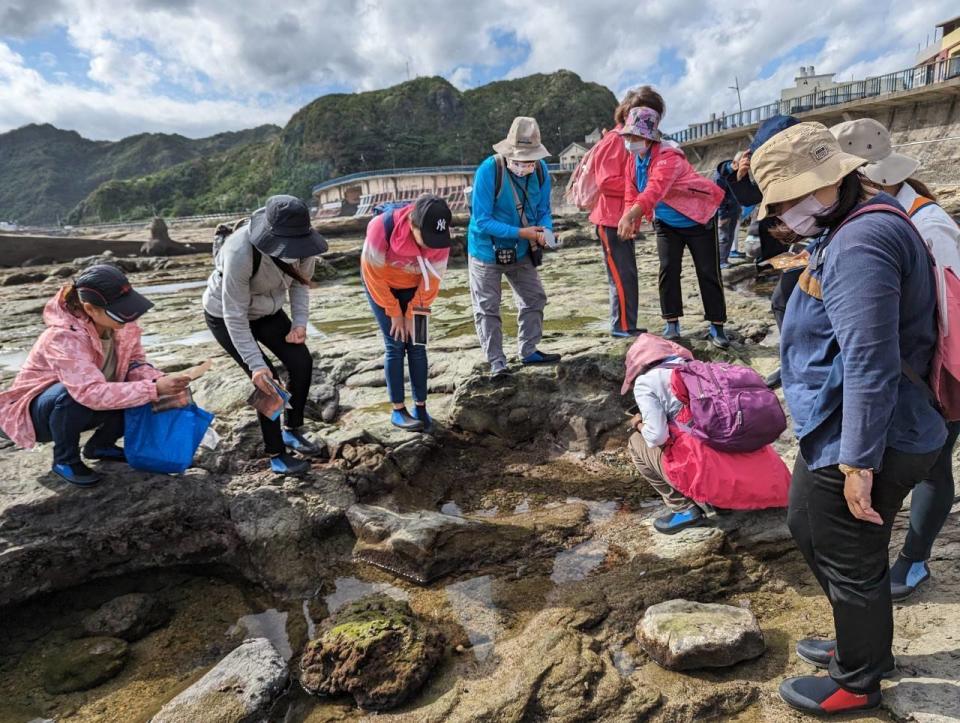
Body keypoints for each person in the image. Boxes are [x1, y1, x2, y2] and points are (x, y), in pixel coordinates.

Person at [752, 122, 947, 715]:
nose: (784, 214)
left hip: (868, 434)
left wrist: (859, 459)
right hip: (861, 424)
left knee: (847, 551)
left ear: (829, 181)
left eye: (787, 200)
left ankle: (856, 680)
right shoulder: (859, 220)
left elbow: (870, 359)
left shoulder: (861, 241)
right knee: (818, 530)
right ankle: (866, 644)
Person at [831, 117, 960, 601]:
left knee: (935, 463)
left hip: (941, 369)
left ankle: (914, 560)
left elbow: (950, 316)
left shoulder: (929, 225)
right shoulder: (888, 216)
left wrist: (937, 385)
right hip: (917, 367)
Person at [0, 265, 191, 486]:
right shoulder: (63, 337)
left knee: (142, 388)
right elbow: (88, 392)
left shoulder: (123, 325)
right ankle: (65, 459)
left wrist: (159, 381)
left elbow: (135, 363)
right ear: (90, 308)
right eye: (120, 312)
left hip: (85, 403)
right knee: (71, 394)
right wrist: (153, 388)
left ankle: (101, 445)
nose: (128, 317)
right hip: (31, 415)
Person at [203, 194, 327, 475]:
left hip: (268, 311)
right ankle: (276, 454)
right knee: (267, 377)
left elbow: (299, 285)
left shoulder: (305, 245)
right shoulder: (240, 251)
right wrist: (256, 365)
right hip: (225, 315)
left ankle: (292, 429)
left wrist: (300, 323)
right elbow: (234, 314)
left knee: (301, 362)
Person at [624, 334, 790, 533]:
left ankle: (683, 509)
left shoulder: (646, 382)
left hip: (705, 465)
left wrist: (639, 425)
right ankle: (723, 504)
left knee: (636, 442)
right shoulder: (699, 368)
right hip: (766, 476)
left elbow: (657, 436)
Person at [615, 105, 730, 348]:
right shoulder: (633, 161)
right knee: (668, 269)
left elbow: (653, 191)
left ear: (648, 137)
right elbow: (631, 192)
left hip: (698, 219)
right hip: (666, 222)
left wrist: (632, 215)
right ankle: (672, 324)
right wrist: (630, 217)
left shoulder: (669, 158)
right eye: (628, 136)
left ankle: (717, 326)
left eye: (634, 137)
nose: (629, 142)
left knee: (708, 272)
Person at [468, 116, 561, 376]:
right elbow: (482, 220)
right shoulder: (489, 170)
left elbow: (543, 210)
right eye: (520, 159)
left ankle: (528, 350)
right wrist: (522, 232)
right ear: (509, 153)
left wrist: (546, 230)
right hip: (486, 251)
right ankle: (497, 362)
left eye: (530, 159)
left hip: (521, 250)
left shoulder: (541, 171)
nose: (525, 165)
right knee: (488, 307)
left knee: (534, 298)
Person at [361, 194, 453, 432]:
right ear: (412, 223)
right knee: (395, 343)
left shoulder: (440, 240)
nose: (432, 245)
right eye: (427, 238)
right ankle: (398, 410)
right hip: (382, 287)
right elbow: (373, 275)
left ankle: (420, 407)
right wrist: (394, 312)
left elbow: (432, 281)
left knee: (418, 343)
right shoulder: (381, 227)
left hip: (418, 290)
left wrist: (413, 312)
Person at [590, 87, 664, 337]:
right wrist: (635, 185)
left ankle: (626, 324)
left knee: (628, 274)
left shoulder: (628, 139)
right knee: (622, 276)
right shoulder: (614, 139)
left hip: (622, 217)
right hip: (610, 219)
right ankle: (621, 326)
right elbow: (605, 181)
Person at [714, 152, 743, 268]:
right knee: (723, 237)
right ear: (735, 163)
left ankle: (724, 259)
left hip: (734, 208)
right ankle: (720, 262)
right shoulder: (720, 176)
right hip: (724, 211)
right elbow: (717, 197)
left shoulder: (737, 172)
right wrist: (721, 215)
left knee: (730, 235)